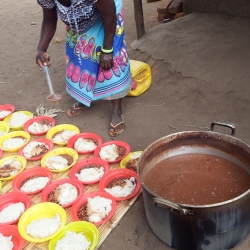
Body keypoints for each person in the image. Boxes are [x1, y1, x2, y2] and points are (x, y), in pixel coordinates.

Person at [36, 0, 132, 137]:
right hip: (76, 22)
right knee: (81, 59)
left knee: (109, 62)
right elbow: (49, 19)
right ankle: (86, 97)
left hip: (108, 16)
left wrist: (107, 49)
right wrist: (41, 49)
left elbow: (110, 14)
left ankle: (117, 109)